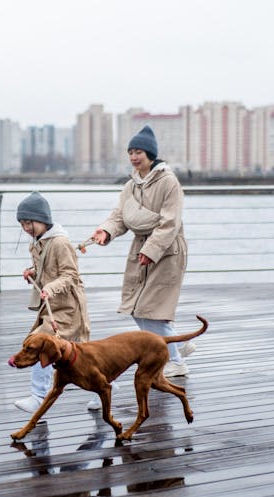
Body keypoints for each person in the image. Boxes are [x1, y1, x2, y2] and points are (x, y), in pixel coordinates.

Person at [89, 125, 196, 387]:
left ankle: (176, 362)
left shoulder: (168, 182)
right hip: (141, 249)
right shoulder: (131, 185)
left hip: (166, 251)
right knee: (137, 307)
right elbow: (119, 215)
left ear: (150, 154)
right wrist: (105, 231)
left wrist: (151, 250)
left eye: (139, 152)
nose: (134, 157)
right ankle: (174, 346)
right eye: (130, 152)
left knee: (153, 309)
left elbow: (170, 223)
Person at [13, 191, 90, 413]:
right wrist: (33, 272)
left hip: (69, 306)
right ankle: (106, 383)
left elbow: (70, 275)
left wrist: (50, 287)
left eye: (29, 223)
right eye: (22, 223)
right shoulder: (36, 243)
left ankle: (38, 396)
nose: (26, 228)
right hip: (52, 305)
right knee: (79, 354)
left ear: (43, 220)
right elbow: (46, 269)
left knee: (41, 344)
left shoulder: (60, 243)